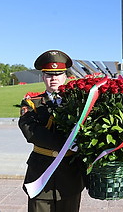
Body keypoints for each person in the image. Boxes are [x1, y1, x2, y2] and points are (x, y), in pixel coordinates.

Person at [18, 50, 84, 212]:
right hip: (40, 173)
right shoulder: (32, 102)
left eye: (58, 74)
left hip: (70, 174)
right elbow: (31, 132)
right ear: (43, 77)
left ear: (65, 76)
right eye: (49, 75)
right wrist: (68, 144)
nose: (53, 78)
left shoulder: (79, 102)